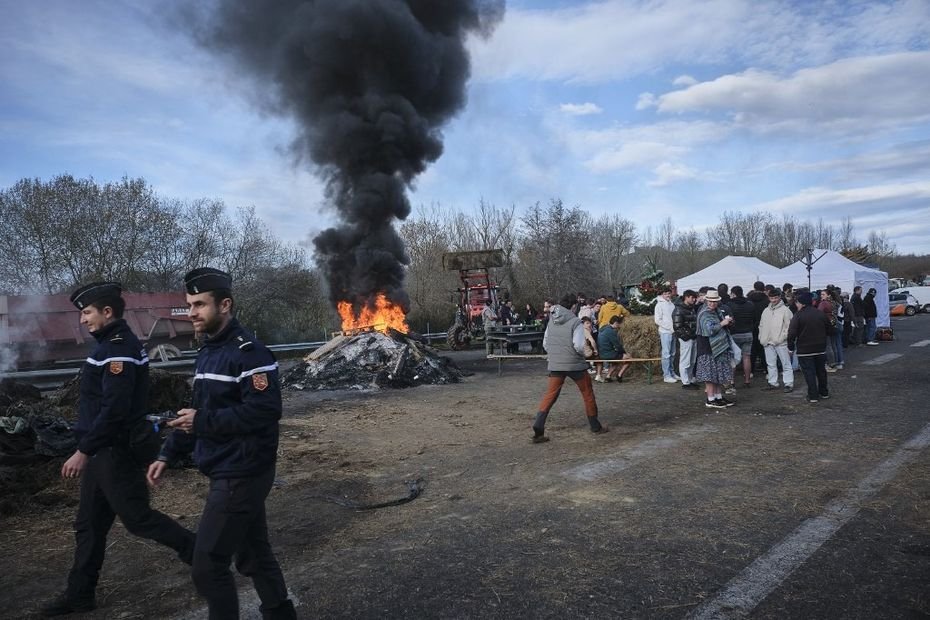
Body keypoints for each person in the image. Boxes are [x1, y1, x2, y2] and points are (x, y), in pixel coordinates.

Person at [147, 268, 296, 620]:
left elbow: (264, 412)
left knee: (208, 563)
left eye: (199, 304)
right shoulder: (209, 353)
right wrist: (169, 452)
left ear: (225, 305)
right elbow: (200, 412)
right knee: (254, 555)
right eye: (189, 305)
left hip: (242, 470)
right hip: (226, 465)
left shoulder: (251, 354)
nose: (192, 312)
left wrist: (202, 421)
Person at [42, 282, 195, 617]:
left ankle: (201, 554)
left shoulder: (118, 348)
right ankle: (80, 595)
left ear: (107, 312)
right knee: (89, 525)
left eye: (87, 313)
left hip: (114, 451)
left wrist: (84, 450)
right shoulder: (109, 346)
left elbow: (115, 409)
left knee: (138, 520)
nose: (83, 320)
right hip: (102, 452)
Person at [531, 294, 609, 443]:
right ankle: (595, 425)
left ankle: (538, 425)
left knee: (550, 395)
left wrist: (555, 355)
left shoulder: (551, 321)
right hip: (575, 364)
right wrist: (585, 354)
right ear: (573, 306)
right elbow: (579, 346)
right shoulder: (575, 322)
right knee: (587, 393)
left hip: (556, 364)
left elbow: (546, 343)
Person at [787, 291, 833, 404]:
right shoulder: (820, 313)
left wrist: (790, 347)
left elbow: (792, 333)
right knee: (821, 371)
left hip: (804, 350)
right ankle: (824, 392)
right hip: (820, 348)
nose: (796, 305)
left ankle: (813, 395)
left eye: (797, 303)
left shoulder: (798, 316)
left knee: (809, 373)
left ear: (802, 303)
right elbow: (830, 330)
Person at [694, 290, 736, 409]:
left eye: (715, 301)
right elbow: (709, 330)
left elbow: (720, 325)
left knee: (717, 374)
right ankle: (710, 399)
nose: (712, 304)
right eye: (710, 301)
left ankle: (718, 397)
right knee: (710, 375)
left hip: (718, 347)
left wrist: (729, 322)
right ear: (706, 301)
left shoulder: (717, 312)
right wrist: (723, 323)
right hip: (707, 348)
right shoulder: (704, 314)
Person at [759, 288, 794, 393]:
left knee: (785, 363)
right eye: (771, 298)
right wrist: (762, 337)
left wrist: (782, 337)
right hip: (768, 341)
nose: (773, 300)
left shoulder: (785, 310)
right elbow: (761, 325)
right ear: (769, 298)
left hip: (780, 342)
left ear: (779, 297)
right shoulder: (766, 310)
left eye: (775, 298)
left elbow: (789, 326)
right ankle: (773, 382)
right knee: (771, 363)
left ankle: (788, 383)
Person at [728, 285, 757, 387]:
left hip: (734, 333)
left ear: (733, 294)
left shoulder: (729, 305)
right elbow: (754, 319)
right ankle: (747, 380)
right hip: (748, 333)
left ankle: (731, 381)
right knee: (746, 357)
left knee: (733, 358)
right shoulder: (750, 304)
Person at [673, 289, 700, 389]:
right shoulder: (679, 310)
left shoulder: (691, 308)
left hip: (693, 337)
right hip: (686, 338)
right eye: (692, 298)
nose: (694, 300)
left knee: (692, 360)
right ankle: (685, 382)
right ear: (686, 297)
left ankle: (689, 379)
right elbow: (677, 326)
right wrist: (686, 337)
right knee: (685, 360)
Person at [654, 287, 679, 383]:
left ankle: (672, 373)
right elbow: (657, 320)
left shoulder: (671, 304)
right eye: (665, 293)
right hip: (665, 332)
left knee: (672, 353)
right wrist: (669, 327)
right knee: (666, 354)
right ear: (662, 295)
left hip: (673, 332)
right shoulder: (659, 305)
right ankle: (666, 375)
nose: (668, 295)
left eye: (669, 293)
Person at [596, 315, 632, 383]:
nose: (619, 326)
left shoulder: (603, 328)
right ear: (615, 323)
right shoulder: (611, 331)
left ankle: (608, 376)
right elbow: (618, 345)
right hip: (607, 354)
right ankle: (619, 375)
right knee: (629, 358)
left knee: (615, 362)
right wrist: (625, 353)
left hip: (602, 353)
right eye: (619, 324)